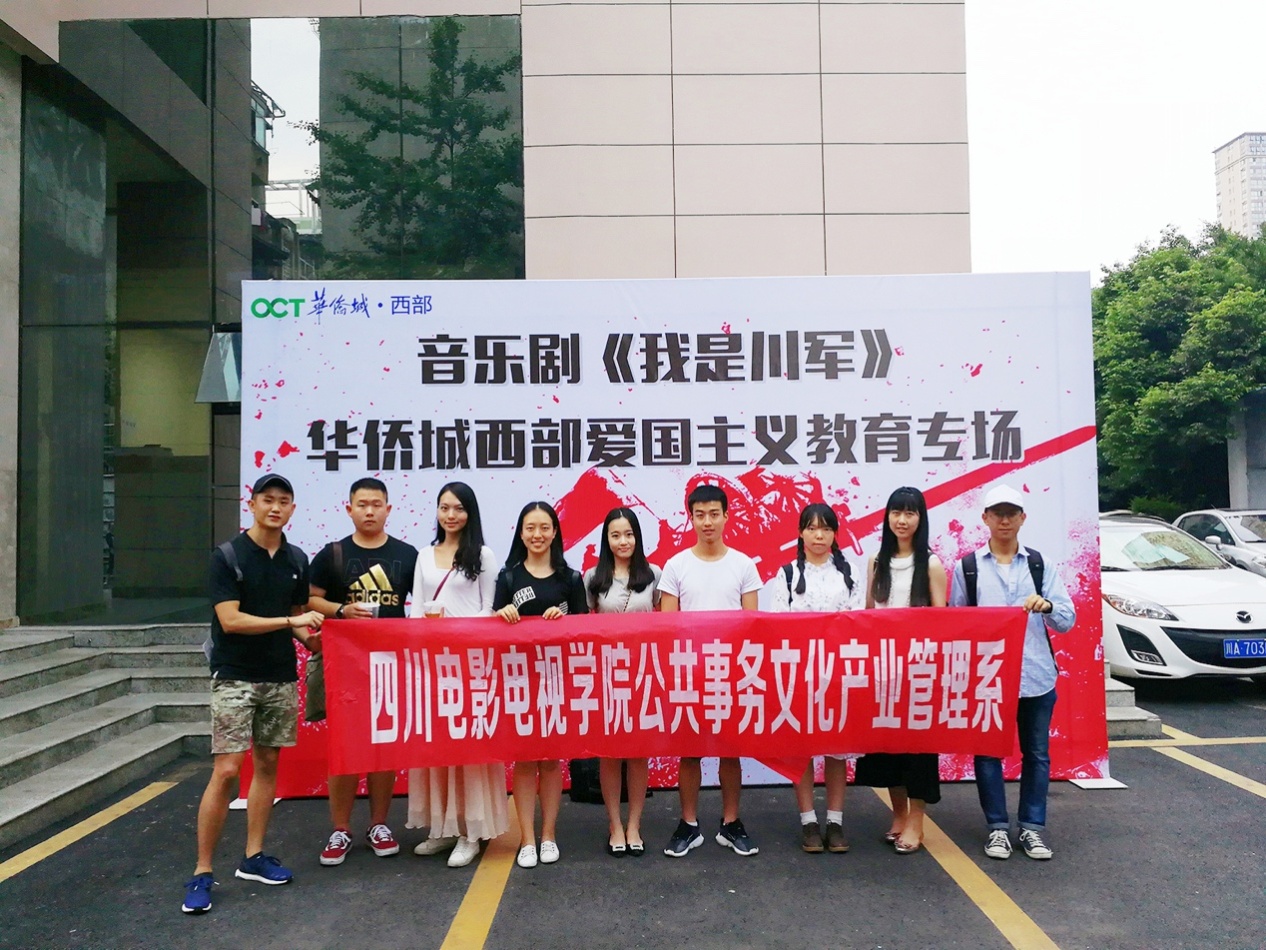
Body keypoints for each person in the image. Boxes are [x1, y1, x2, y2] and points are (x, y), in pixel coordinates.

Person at [182, 474, 324, 915]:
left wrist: (327, 642)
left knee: (267, 766)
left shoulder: (297, 559)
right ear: (253, 503)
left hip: (280, 677)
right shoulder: (227, 556)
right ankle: (202, 871)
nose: (275, 507)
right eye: (268, 500)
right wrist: (290, 622)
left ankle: (254, 856)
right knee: (227, 770)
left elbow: (300, 618)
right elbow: (231, 620)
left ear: (292, 509)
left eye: (284, 501)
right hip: (234, 676)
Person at [949, 484, 1075, 861]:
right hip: (988, 678)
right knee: (988, 754)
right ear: (985, 518)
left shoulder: (1040, 564)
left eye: (1011, 513)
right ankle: (997, 829)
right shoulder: (968, 567)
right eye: (997, 513)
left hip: (1035, 675)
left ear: (1022, 518)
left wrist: (1046, 605)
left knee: (1037, 754)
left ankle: (1032, 828)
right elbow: (956, 624)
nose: (1004, 520)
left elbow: (1067, 618)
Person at [307, 477, 418, 867]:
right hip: (345, 665)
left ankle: (379, 824)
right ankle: (340, 828)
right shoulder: (332, 554)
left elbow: (422, 604)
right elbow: (309, 600)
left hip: (390, 664)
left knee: (383, 745)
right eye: (362, 504)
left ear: (389, 509)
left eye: (376, 504)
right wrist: (341, 611)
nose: (369, 511)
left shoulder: (407, 555)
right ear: (349, 509)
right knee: (344, 746)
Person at [407, 481, 510, 868]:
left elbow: (491, 609)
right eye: (444, 507)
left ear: (470, 513)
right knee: (437, 746)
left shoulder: (482, 555)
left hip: (471, 664)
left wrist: (457, 630)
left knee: (469, 747)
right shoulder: (423, 555)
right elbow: (416, 610)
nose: (451, 515)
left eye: (459, 508)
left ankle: (471, 832)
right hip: (433, 666)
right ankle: (442, 827)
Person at [659, 483, 763, 858]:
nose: (707, 522)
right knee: (689, 752)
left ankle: (730, 823)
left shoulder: (744, 565)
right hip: (689, 671)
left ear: (726, 516)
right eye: (700, 515)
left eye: (714, 514)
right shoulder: (676, 566)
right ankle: (688, 824)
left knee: (730, 751)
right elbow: (668, 626)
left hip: (731, 672)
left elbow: (751, 625)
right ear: (690, 518)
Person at [493, 501, 588, 869]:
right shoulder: (508, 578)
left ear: (555, 532)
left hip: (556, 679)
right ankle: (527, 840)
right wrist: (501, 614)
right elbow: (491, 629)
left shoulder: (571, 578)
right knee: (523, 760)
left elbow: (585, 630)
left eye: (544, 527)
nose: (537, 534)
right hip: (518, 679)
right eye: (530, 528)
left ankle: (548, 835)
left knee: (549, 761)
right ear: (521, 533)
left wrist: (563, 620)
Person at [853, 486, 947, 856]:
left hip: (920, 674)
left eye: (910, 513)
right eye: (896, 512)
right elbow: (867, 614)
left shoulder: (932, 564)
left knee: (918, 751)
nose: (902, 520)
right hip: (883, 672)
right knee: (887, 748)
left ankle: (917, 821)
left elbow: (942, 623)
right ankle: (898, 814)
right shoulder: (876, 561)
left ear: (921, 519)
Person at [764, 503, 862, 855]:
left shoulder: (849, 572)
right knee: (801, 748)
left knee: (837, 749)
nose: (819, 536)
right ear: (801, 532)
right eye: (812, 528)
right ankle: (808, 821)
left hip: (838, 674)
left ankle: (835, 821)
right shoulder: (787, 574)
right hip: (800, 676)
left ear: (835, 534)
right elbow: (777, 626)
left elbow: (858, 624)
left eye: (826, 529)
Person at [583, 507, 661, 857]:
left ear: (637, 537)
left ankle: (634, 825)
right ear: (607, 539)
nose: (623, 541)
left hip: (644, 671)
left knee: (639, 752)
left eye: (628, 534)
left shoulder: (654, 574)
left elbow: (666, 622)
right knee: (611, 754)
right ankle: (615, 825)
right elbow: (582, 624)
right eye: (615, 535)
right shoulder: (592, 577)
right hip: (605, 674)